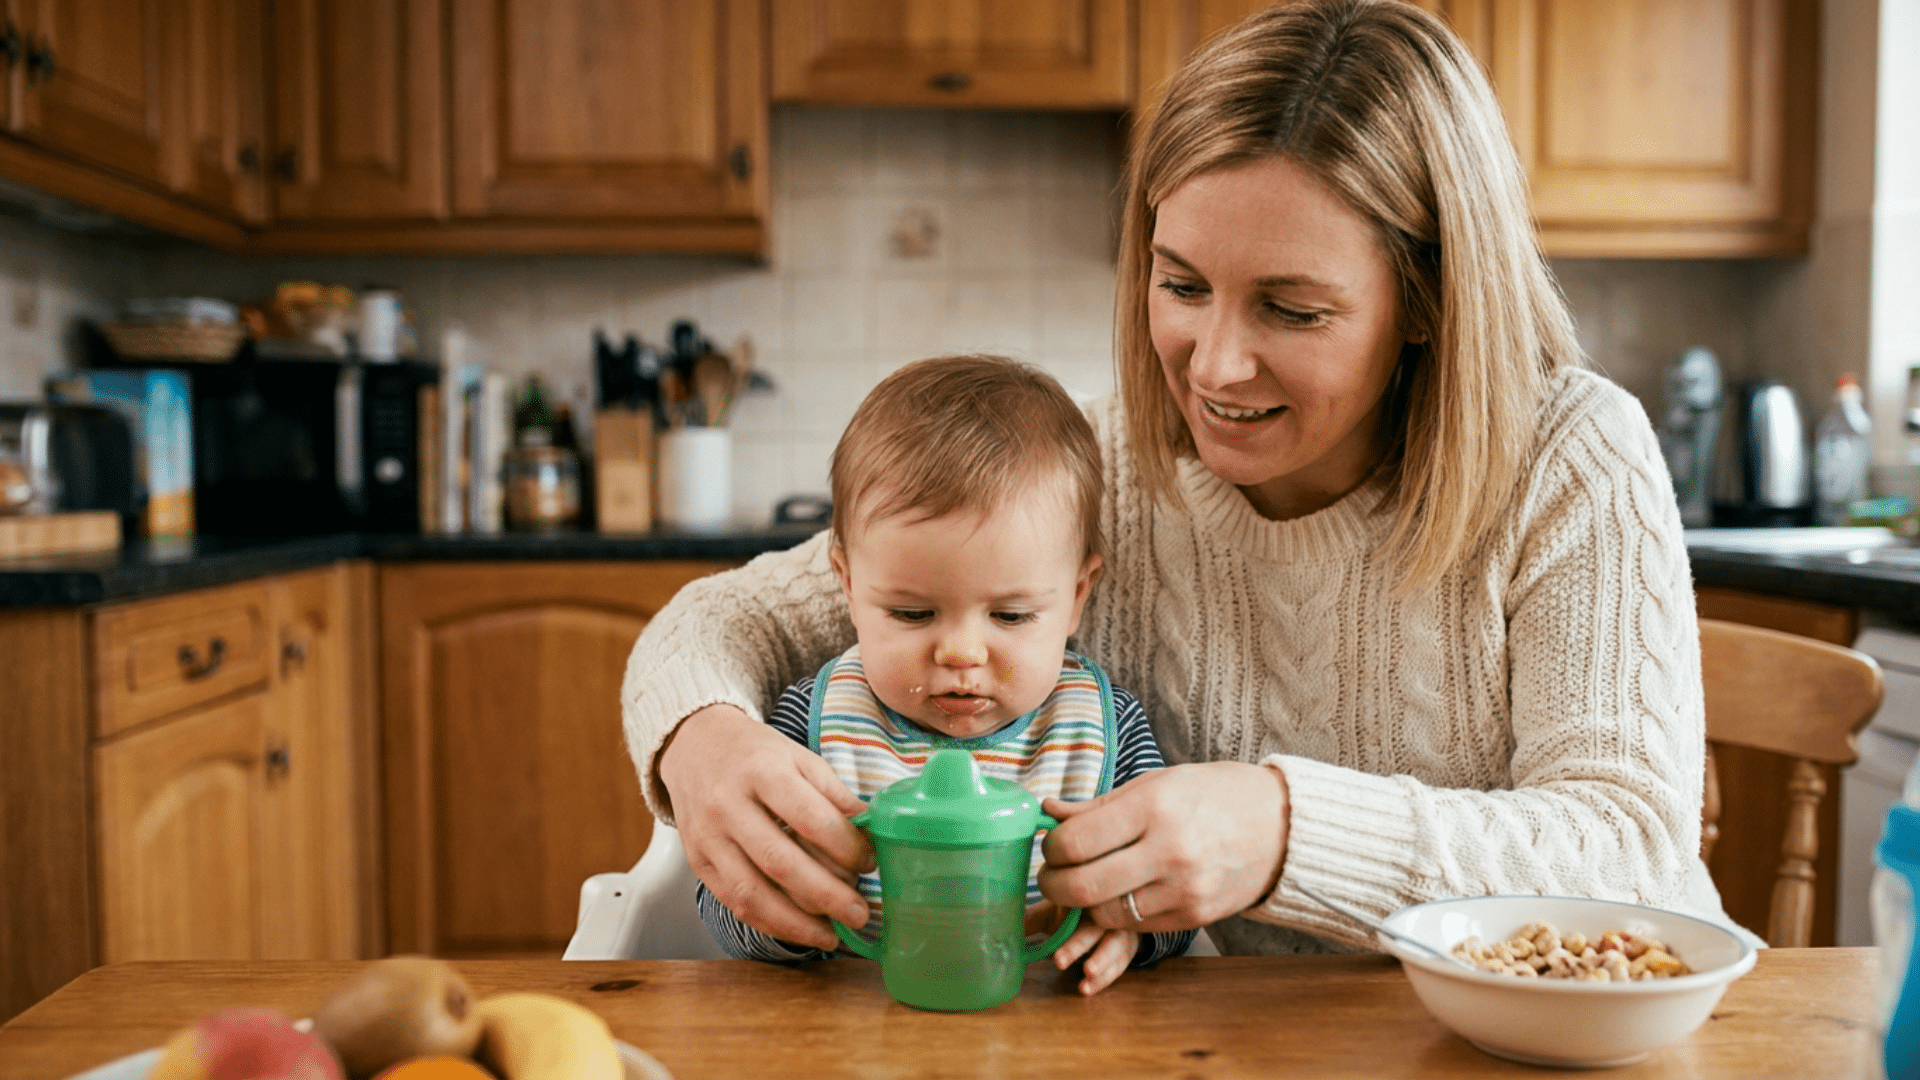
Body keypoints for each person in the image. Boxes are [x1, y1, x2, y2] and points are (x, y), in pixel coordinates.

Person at [622, 0, 1745, 961]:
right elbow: (733, 616)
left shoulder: (1570, 457)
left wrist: (1287, 830)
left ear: (1431, 302)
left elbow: (1630, 849)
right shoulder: (1105, 468)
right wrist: (700, 738)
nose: (1214, 365)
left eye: (1291, 309)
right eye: (1181, 283)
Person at [693, 355, 1195, 994]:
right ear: (847, 585)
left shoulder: (1106, 724)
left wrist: (1137, 926)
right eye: (911, 612)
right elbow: (718, 900)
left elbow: (1179, 887)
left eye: (1010, 615)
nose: (961, 652)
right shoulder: (808, 720)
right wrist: (784, 912)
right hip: (850, 1031)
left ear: (1076, 595)